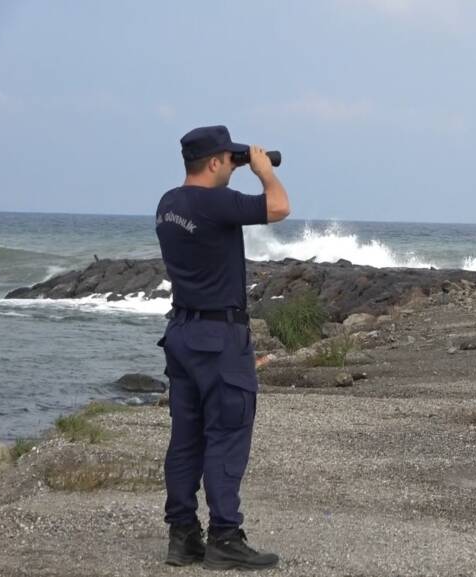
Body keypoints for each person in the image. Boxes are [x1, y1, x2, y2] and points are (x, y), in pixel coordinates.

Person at [155, 125, 290, 570]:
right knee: (227, 434)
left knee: (185, 438)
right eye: (226, 160)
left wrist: (238, 161)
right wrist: (264, 170)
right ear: (215, 162)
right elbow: (279, 207)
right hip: (220, 338)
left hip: (182, 332)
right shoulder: (218, 203)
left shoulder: (168, 205)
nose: (231, 166)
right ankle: (225, 537)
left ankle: (182, 537)